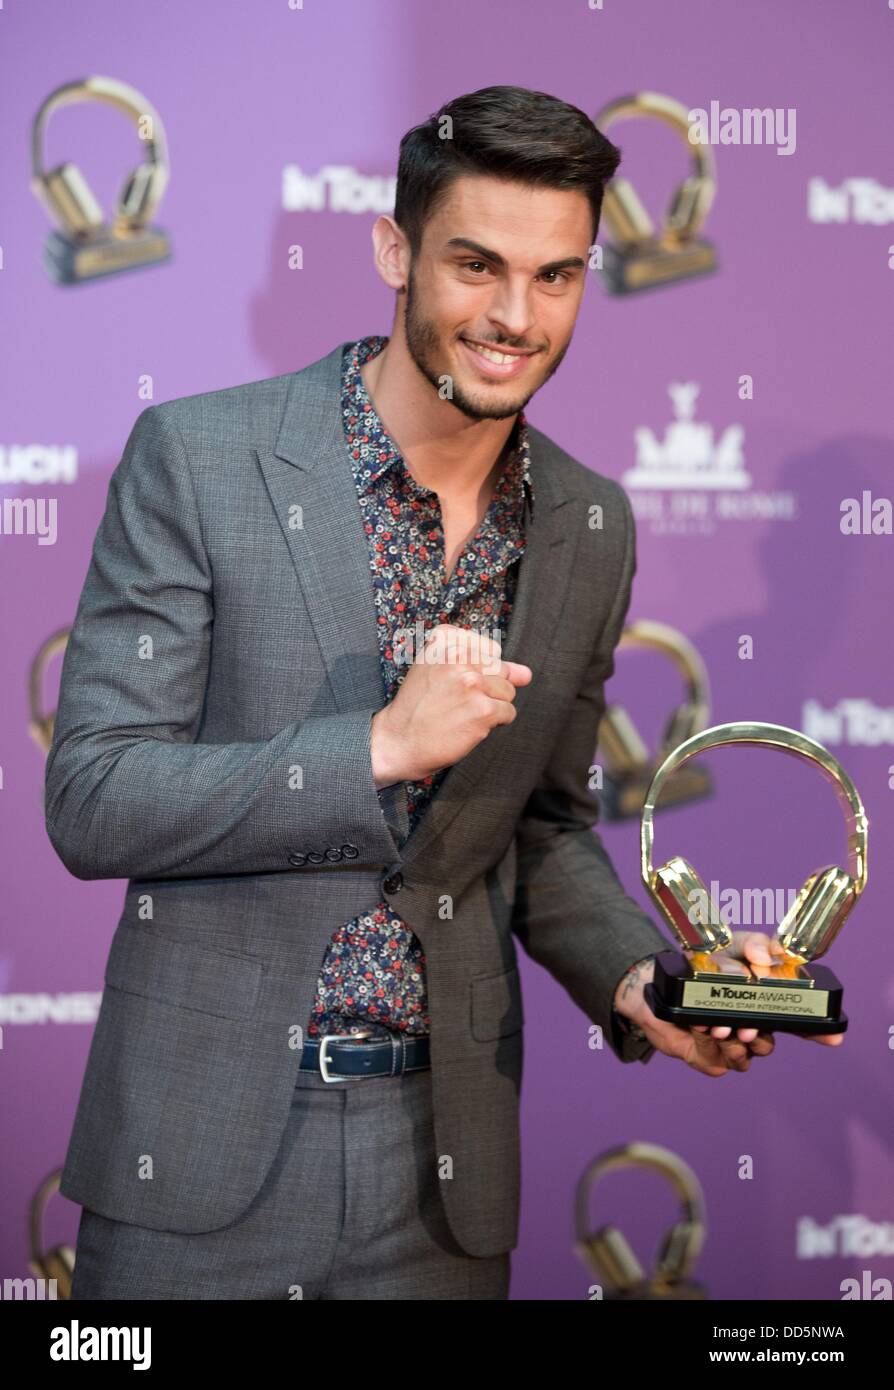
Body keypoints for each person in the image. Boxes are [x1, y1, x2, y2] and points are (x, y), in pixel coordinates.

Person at [45, 84, 839, 1303]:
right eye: (476, 266)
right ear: (394, 251)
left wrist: (650, 985)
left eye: (558, 276)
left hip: (445, 1178)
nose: (516, 318)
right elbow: (96, 795)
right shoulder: (200, 459)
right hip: (200, 1165)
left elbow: (543, 828)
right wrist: (374, 746)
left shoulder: (587, 520)